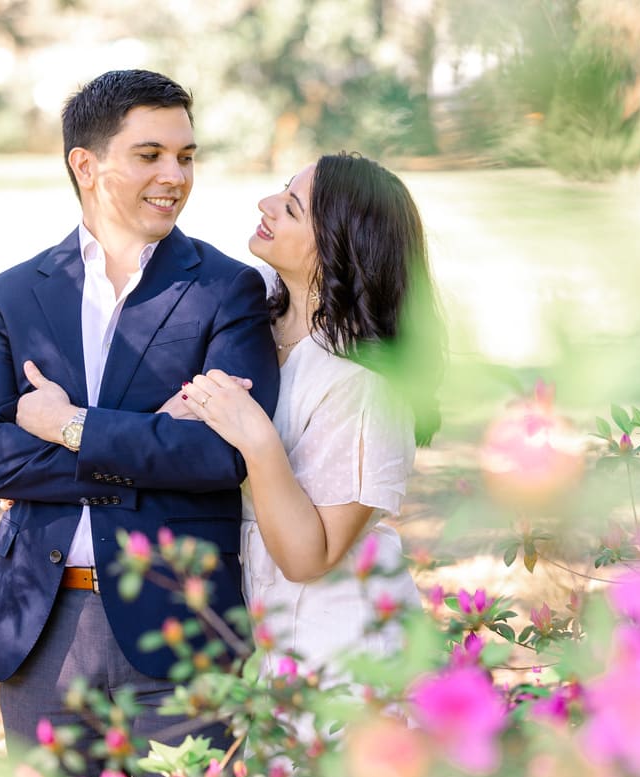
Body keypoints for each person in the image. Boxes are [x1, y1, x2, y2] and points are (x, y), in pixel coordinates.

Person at [0, 69, 279, 774]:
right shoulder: (11, 296)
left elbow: (222, 457)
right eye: (151, 154)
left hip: (182, 627)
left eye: (187, 156)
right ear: (86, 164)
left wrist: (69, 424)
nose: (176, 175)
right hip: (40, 627)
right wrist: (146, 438)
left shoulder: (227, 290)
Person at [174, 152, 445, 678]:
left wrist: (256, 437)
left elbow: (308, 558)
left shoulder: (366, 385)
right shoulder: (250, 325)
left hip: (342, 652)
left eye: (292, 208)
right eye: (282, 191)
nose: (266, 204)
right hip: (260, 636)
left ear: (339, 249)